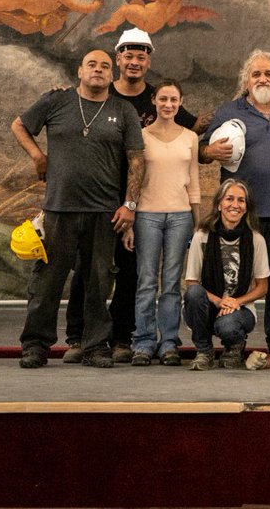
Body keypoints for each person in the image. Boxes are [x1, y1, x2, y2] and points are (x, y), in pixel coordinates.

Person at [62, 29, 200, 364]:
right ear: (118, 59)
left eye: (141, 56)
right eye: (128, 55)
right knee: (88, 269)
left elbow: (188, 139)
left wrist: (213, 148)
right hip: (100, 195)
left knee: (131, 273)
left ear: (148, 60)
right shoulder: (99, 93)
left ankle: (124, 337)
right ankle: (79, 337)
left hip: (139, 203)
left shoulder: (160, 97)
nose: (134, 62)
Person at [11, 50, 144, 368]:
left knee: (99, 280)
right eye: (92, 65)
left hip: (104, 211)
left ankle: (95, 346)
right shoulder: (56, 101)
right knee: (47, 281)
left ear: (112, 75)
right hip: (59, 207)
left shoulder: (123, 110)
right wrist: (37, 156)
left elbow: (136, 159)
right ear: (80, 71)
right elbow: (19, 125)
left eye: (105, 67)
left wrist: (130, 205)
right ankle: (35, 345)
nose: (98, 70)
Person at [201, 50, 270, 330]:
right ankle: (233, 338)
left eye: (268, 73)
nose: (262, 78)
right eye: (256, 74)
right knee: (236, 277)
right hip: (240, 214)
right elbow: (201, 150)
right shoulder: (229, 111)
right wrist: (209, 150)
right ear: (246, 81)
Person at [127, 80, 203, 367]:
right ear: (154, 101)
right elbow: (133, 179)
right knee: (146, 281)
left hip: (181, 216)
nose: (168, 105)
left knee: (171, 283)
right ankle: (144, 342)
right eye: (163, 99)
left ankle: (169, 342)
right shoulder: (140, 135)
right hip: (147, 215)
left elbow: (193, 181)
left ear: (180, 102)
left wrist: (197, 224)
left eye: (173, 99)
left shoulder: (190, 138)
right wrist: (131, 216)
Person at [183, 179, 270, 370]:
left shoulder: (256, 240)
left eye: (241, 200)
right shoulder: (202, 236)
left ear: (246, 208)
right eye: (229, 199)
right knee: (194, 294)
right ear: (219, 205)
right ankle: (204, 351)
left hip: (241, 309)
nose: (235, 205)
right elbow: (191, 281)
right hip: (209, 304)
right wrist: (218, 301)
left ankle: (234, 347)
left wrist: (236, 302)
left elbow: (262, 287)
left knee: (227, 325)